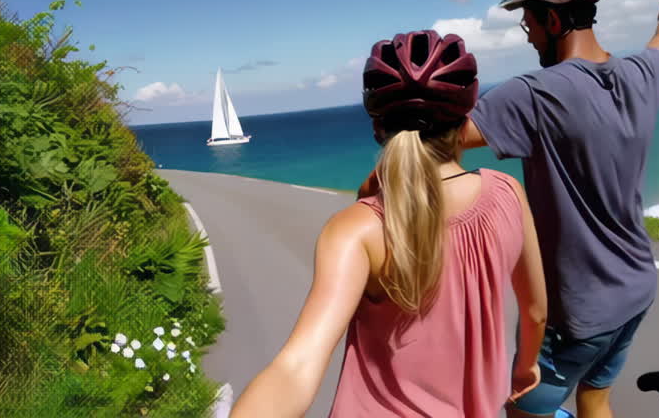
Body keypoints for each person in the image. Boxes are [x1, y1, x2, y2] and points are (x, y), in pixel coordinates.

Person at [359, 0, 659, 418]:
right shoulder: (640, 76)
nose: (528, 32)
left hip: (577, 310)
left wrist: (371, 192)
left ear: (553, 19)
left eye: (528, 20)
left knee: (520, 412)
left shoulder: (535, 93)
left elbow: (434, 142)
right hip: (636, 288)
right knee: (595, 397)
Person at [230, 30, 548, 418]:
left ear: (378, 128)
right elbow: (535, 312)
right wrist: (525, 367)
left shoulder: (358, 228)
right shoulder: (507, 193)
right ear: (466, 119)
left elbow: (295, 368)